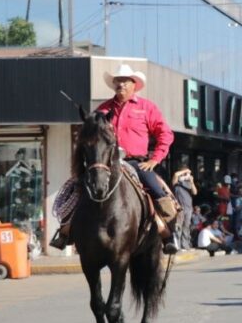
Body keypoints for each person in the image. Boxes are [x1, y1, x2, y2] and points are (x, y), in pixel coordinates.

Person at [54, 63, 179, 254]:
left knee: (157, 191)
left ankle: (169, 234)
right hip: (105, 163)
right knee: (77, 189)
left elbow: (165, 134)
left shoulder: (146, 108)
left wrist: (155, 159)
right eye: (117, 81)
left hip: (136, 162)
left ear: (134, 84)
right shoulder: (102, 110)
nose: (120, 84)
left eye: (124, 81)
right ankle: (66, 231)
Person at [172, 165, 197, 250]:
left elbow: (195, 192)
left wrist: (192, 182)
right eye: (186, 173)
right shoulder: (177, 182)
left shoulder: (188, 183)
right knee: (178, 227)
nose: (188, 175)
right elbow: (175, 175)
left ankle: (185, 245)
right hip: (180, 208)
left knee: (186, 227)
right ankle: (177, 246)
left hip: (189, 208)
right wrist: (185, 171)